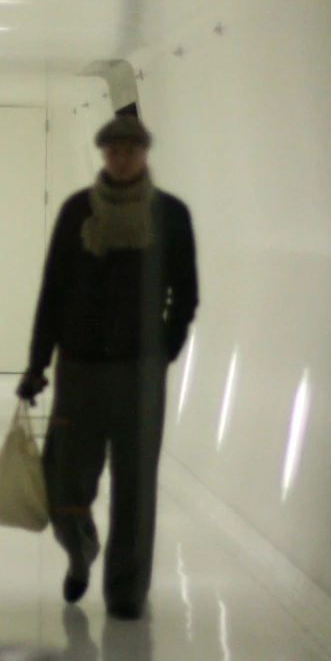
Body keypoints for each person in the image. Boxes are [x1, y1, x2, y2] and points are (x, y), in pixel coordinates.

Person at [17, 113, 198, 620]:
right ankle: (81, 553)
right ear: (103, 155)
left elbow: (185, 294)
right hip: (80, 370)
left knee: (135, 486)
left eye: (131, 150)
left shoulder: (170, 215)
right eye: (113, 151)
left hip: (140, 373)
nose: (122, 158)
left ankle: (125, 592)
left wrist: (164, 349)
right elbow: (53, 291)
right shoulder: (79, 212)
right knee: (66, 484)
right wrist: (37, 365)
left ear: (144, 155)